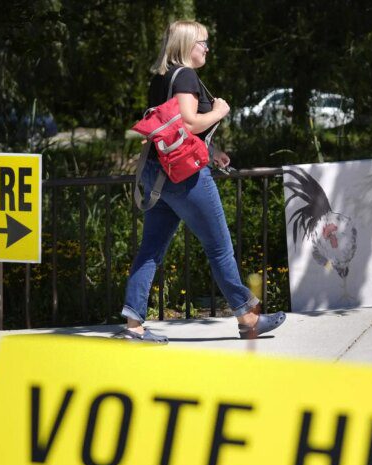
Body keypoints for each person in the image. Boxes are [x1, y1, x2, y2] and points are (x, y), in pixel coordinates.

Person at [120, 20, 286, 342]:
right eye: (202, 42)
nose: (207, 48)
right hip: (186, 178)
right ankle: (248, 319)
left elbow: (172, 130)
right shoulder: (185, 76)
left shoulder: (161, 77)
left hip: (159, 174)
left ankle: (134, 325)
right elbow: (189, 122)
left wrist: (214, 151)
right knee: (220, 248)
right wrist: (220, 111)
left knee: (151, 249)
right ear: (186, 44)